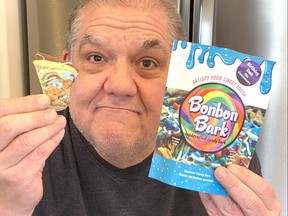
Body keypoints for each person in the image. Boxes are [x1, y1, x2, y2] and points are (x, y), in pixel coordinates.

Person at [0, 0, 281, 215]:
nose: (120, 85)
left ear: (177, 78)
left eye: (147, 62)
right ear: (65, 68)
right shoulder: (18, 158)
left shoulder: (218, 155)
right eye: (96, 57)